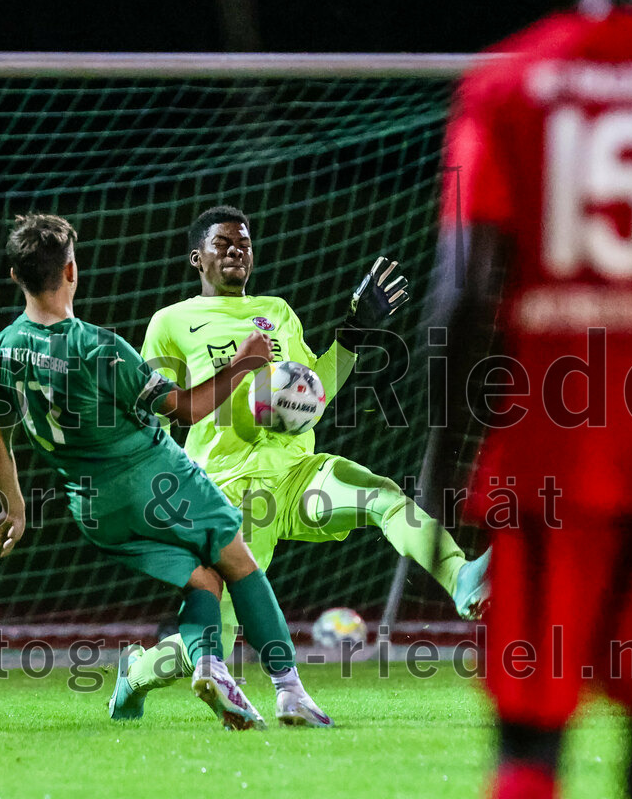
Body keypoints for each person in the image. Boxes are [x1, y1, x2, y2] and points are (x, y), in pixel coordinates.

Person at [421, 0, 632, 796]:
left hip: (543, 458)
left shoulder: (514, 76)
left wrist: (445, 459)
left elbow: (461, 294)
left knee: (528, 744)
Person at [108, 205, 491, 721]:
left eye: (244, 242)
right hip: (226, 491)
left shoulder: (278, 311)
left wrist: (354, 330)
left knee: (380, 495)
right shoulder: (170, 323)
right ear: (197, 258)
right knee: (213, 638)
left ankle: (461, 577)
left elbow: (314, 392)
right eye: (223, 243)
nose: (237, 250)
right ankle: (134, 675)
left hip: (295, 474)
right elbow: (158, 405)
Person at [0, 212, 331, 730]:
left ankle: (209, 667)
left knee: (201, 579)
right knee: (239, 561)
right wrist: (245, 365)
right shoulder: (99, 348)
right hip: (158, 480)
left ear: (15, 276)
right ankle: (289, 691)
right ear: (72, 271)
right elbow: (184, 409)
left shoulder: (4, 349)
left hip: (92, 507)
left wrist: (15, 508)